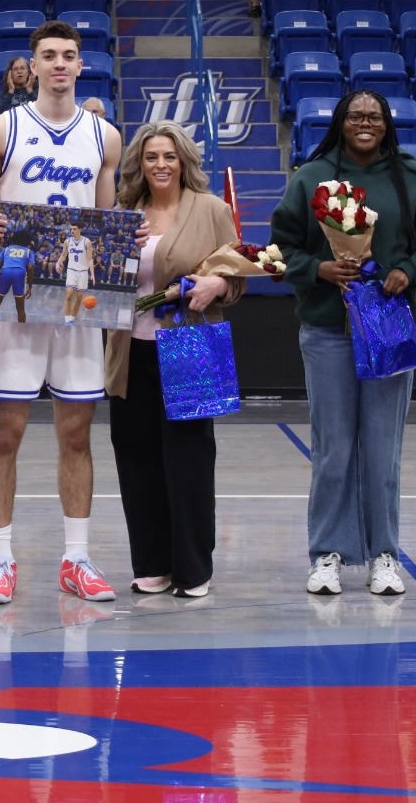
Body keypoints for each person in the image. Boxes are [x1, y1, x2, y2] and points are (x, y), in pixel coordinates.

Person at [0, 20, 126, 605]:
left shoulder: (104, 137)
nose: (60, 65)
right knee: (6, 432)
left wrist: (111, 292)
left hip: (78, 298)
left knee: (76, 434)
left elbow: (107, 225)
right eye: (49, 56)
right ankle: (1, 559)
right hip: (18, 293)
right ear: (32, 66)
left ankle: (76, 558)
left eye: (69, 56)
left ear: (82, 66)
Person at [271, 88, 416, 597]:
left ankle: (384, 554)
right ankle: (327, 552)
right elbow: (281, 247)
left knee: (382, 449)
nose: (365, 123)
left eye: (374, 116)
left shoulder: (410, 177)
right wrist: (319, 269)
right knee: (332, 448)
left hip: (389, 328)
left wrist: (407, 271)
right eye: (356, 115)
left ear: (387, 123)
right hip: (328, 329)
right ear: (341, 121)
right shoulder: (311, 177)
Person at [105, 122, 244, 598]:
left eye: (168, 156)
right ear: (138, 165)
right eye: (150, 157)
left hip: (189, 346)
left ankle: (192, 569)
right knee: (136, 458)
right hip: (129, 350)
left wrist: (218, 285)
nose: (160, 165)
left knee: (188, 460)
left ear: (183, 159)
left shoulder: (211, 209)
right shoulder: (123, 212)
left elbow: (237, 273)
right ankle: (151, 563)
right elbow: (102, 280)